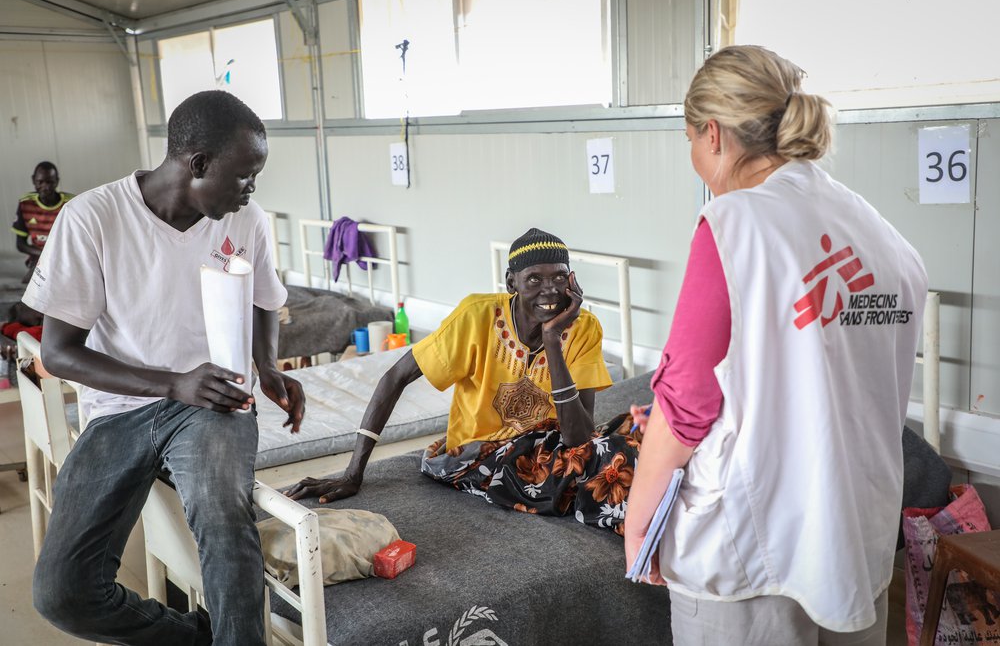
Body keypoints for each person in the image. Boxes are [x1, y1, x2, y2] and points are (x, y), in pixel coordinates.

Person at [623, 45, 927, 645]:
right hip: (854, 531)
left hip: (749, 551)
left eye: (689, 139)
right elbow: (818, 371)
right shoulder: (880, 231)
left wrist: (638, 525)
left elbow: (687, 405)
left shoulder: (735, 224)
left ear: (712, 134)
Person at [24, 90, 305, 646]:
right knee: (62, 594)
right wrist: (173, 383)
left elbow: (263, 299)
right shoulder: (93, 218)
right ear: (197, 164)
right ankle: (201, 636)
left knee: (224, 523)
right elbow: (58, 353)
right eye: (245, 175)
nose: (252, 189)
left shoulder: (247, 220)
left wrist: (266, 364)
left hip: (214, 403)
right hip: (119, 410)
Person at [287, 228, 640, 532]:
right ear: (511, 282)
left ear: (572, 281)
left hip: (552, 447)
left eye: (559, 278)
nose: (550, 290)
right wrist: (353, 472)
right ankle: (642, 522)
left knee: (638, 431)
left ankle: (646, 509)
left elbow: (579, 436)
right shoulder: (476, 315)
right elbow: (395, 377)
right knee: (601, 469)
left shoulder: (584, 327)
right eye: (534, 279)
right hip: (479, 453)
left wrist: (552, 340)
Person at [12, 161, 73, 283]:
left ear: (57, 181)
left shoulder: (71, 203)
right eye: (40, 182)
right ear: (33, 180)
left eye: (50, 182)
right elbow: (20, 244)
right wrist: (44, 255)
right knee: (33, 283)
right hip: (38, 256)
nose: (45, 187)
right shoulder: (26, 203)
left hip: (65, 255)